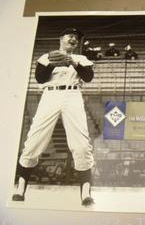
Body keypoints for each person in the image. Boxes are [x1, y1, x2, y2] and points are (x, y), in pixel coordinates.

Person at [12, 28, 95, 207]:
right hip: (50, 95)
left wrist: (72, 62)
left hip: (73, 96)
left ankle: (86, 192)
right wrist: (52, 63)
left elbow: (88, 77)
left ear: (78, 43)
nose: (73, 38)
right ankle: (20, 188)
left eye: (76, 37)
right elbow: (40, 79)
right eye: (69, 35)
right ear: (61, 38)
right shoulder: (46, 57)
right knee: (34, 141)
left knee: (81, 144)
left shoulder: (81, 59)